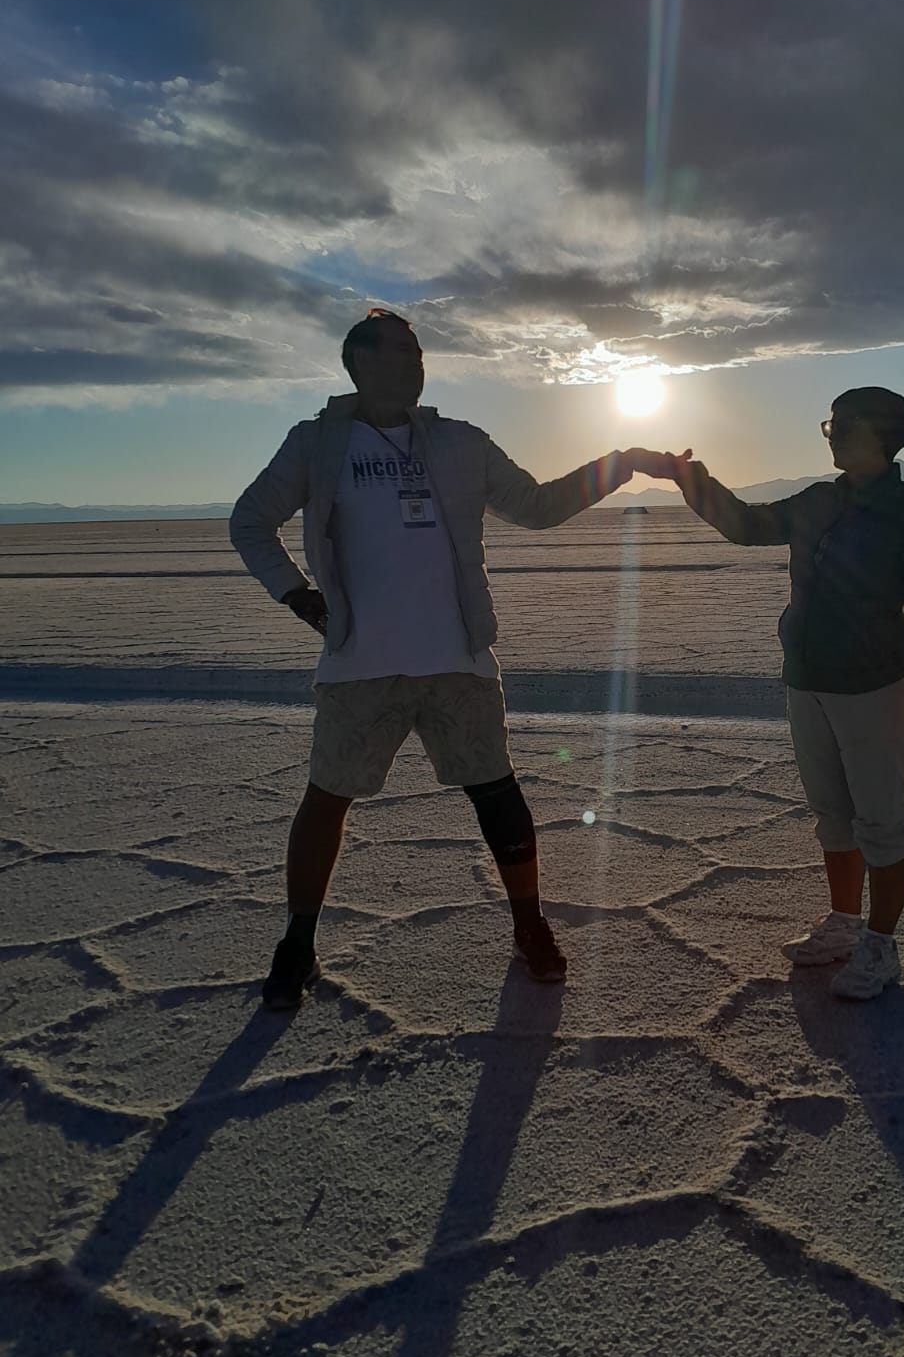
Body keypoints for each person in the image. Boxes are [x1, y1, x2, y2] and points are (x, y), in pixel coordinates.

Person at [230, 308, 669, 1009]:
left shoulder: (461, 444)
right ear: (360, 363)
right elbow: (249, 521)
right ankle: (298, 943)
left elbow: (539, 505)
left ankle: (530, 926)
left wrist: (625, 464)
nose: (415, 364)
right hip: (359, 663)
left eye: (419, 352)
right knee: (327, 798)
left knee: (497, 792)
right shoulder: (317, 445)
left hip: (456, 657)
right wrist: (297, 595)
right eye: (400, 352)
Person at [658, 386, 904, 999]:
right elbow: (747, 526)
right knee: (832, 814)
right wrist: (694, 481)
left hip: (873, 683)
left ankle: (880, 947)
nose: (835, 434)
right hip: (807, 678)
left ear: (885, 433)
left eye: (847, 424)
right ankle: (845, 924)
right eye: (832, 424)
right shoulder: (818, 499)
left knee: (879, 820)